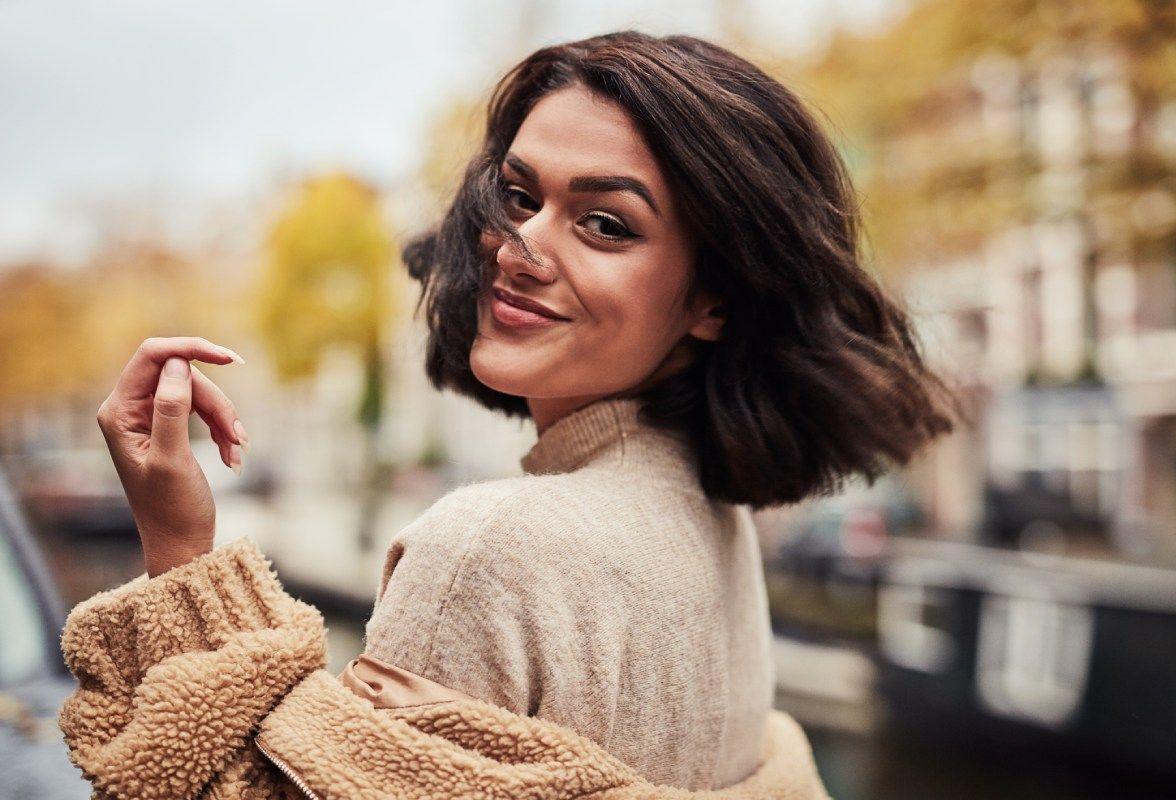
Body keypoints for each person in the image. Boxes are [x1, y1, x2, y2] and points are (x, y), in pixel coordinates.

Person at [58, 30, 959, 799]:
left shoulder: (489, 548)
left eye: (605, 224)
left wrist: (181, 555)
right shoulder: (714, 522)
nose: (519, 248)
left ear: (713, 301)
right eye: (519, 198)